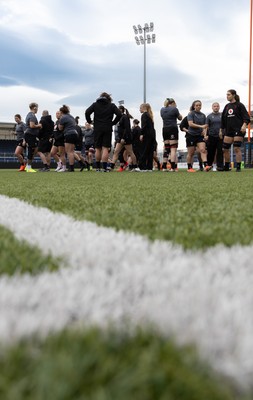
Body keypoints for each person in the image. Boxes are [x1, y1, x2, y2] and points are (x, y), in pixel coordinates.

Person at [85, 92, 122, 172]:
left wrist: (90, 121)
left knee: (98, 148)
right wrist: (113, 122)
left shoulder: (95, 104)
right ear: (109, 98)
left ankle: (97, 168)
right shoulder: (111, 105)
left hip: (97, 128)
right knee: (105, 148)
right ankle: (104, 167)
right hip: (107, 128)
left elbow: (87, 112)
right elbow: (119, 114)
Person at [221, 89, 250, 172]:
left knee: (236, 148)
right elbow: (223, 119)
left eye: (229, 94)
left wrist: (244, 125)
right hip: (228, 131)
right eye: (226, 95)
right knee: (224, 149)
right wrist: (221, 130)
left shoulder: (240, 105)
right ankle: (226, 166)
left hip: (238, 130)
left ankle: (238, 167)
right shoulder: (226, 106)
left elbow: (246, 117)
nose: (227, 96)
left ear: (233, 95)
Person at [109, 106, 138, 171]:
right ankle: (112, 166)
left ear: (121, 110)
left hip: (125, 138)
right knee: (116, 151)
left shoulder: (125, 117)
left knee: (130, 152)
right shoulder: (119, 117)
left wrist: (124, 138)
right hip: (120, 138)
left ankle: (135, 166)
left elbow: (127, 128)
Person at [186, 100, 211, 172]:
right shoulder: (191, 114)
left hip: (199, 136)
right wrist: (201, 126)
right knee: (191, 153)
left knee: (203, 150)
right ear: (194, 106)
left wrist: (205, 133)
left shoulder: (203, 115)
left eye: (199, 105)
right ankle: (189, 168)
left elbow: (205, 126)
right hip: (191, 135)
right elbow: (190, 124)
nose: (198, 106)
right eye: (197, 105)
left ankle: (206, 166)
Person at [160, 97, 182, 172]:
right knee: (173, 148)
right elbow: (180, 118)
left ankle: (164, 166)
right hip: (172, 128)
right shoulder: (174, 109)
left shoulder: (162, 109)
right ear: (173, 103)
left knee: (166, 148)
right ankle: (173, 167)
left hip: (164, 129)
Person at [58, 105, 78, 172]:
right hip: (75, 133)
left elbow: (60, 128)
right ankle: (72, 167)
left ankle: (71, 167)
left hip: (68, 134)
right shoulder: (71, 116)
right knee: (72, 151)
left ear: (61, 112)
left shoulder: (63, 118)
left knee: (69, 152)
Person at [24, 102, 42, 172]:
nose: (37, 109)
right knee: (31, 150)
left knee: (35, 149)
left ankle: (27, 166)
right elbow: (32, 125)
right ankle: (28, 167)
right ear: (34, 108)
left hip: (31, 135)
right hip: (30, 134)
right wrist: (39, 125)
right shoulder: (32, 115)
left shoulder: (30, 115)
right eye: (37, 108)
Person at [206, 102, 223, 171]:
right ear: (212, 107)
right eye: (214, 106)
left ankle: (220, 166)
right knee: (210, 152)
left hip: (220, 136)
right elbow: (206, 126)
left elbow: (224, 125)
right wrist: (205, 135)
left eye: (217, 106)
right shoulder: (209, 116)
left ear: (219, 107)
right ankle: (209, 165)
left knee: (220, 151)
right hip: (211, 136)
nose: (216, 107)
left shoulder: (222, 115)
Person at [138, 103, 156, 171]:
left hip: (146, 135)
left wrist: (141, 134)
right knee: (150, 152)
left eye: (140, 108)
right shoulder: (150, 115)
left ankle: (142, 167)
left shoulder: (144, 115)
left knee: (144, 151)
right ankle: (149, 167)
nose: (139, 109)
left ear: (144, 108)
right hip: (151, 136)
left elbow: (144, 125)